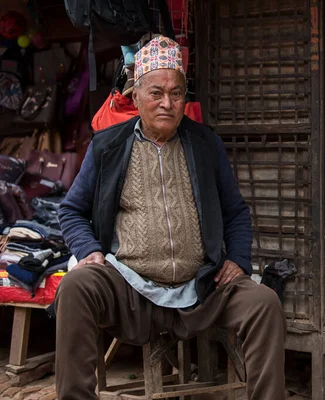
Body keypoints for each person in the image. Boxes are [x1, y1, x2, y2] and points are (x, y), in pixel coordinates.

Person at [56, 36, 286, 400]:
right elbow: (70, 210)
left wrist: (238, 260)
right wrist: (88, 250)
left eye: (176, 93)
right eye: (156, 92)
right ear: (135, 95)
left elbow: (236, 212)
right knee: (75, 287)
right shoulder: (107, 146)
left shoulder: (205, 143)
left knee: (264, 303)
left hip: (202, 288)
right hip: (130, 288)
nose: (167, 102)